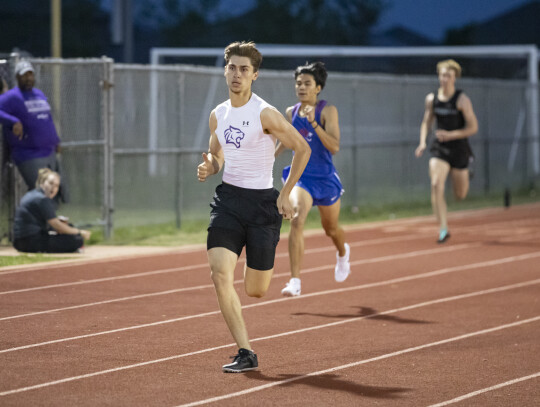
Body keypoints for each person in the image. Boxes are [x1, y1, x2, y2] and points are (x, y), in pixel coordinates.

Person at [197, 41, 310, 373]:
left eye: (244, 69)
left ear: (255, 75)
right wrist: (209, 166)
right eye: (232, 67)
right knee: (219, 274)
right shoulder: (218, 114)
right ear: (225, 70)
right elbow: (217, 155)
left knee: (255, 290)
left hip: (263, 205)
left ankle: (257, 256)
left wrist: (285, 194)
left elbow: (301, 149)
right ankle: (246, 352)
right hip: (229, 201)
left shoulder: (265, 114)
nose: (237, 74)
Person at [276, 62, 351, 297]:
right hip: (302, 178)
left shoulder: (328, 111)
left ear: (318, 88)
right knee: (297, 219)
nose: (301, 87)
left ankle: (342, 253)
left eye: (307, 83)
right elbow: (288, 140)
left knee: (330, 229)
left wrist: (314, 124)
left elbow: (335, 146)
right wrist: (269, 155)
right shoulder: (291, 112)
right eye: (298, 83)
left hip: (325, 178)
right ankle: (295, 281)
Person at [415, 59, 478, 243]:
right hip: (439, 149)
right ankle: (443, 228)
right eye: (442, 75)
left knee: (460, 195)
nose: (444, 79)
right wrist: (422, 142)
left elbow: (473, 127)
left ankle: (465, 173)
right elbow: (426, 122)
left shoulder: (462, 100)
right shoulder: (431, 99)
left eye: (448, 75)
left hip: (459, 148)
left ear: (454, 78)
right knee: (435, 184)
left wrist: (452, 135)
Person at [0, 60, 67, 201]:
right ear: (17, 77)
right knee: (42, 193)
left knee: (55, 194)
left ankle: (48, 223)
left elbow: (47, 120)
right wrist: (13, 121)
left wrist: (55, 140)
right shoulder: (12, 96)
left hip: (48, 152)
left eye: (31, 74)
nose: (28, 78)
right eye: (24, 75)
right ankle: (36, 222)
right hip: (29, 154)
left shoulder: (39, 94)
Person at [13, 168, 90, 253]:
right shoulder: (42, 199)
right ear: (42, 183)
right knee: (76, 240)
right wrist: (79, 232)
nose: (53, 187)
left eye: (57, 185)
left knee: (69, 227)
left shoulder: (33, 194)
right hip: (29, 241)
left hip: (21, 240)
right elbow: (55, 224)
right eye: (50, 183)